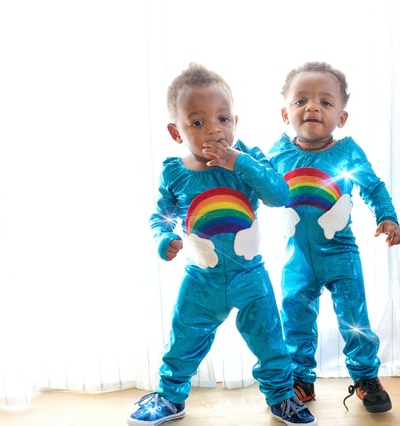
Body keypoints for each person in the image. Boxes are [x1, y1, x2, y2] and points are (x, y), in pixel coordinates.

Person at [127, 63, 316, 426]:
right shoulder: (175, 173)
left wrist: (240, 163)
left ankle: (281, 396)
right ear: (175, 131)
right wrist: (164, 238)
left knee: (270, 341)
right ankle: (170, 396)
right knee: (184, 339)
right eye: (197, 123)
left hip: (250, 277)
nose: (214, 129)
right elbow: (161, 216)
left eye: (223, 118)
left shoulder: (248, 158)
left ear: (235, 122)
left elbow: (279, 194)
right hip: (202, 280)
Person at [267, 61, 400, 414]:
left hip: (341, 255)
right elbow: (255, 187)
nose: (312, 107)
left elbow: (373, 187)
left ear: (341, 118)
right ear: (286, 112)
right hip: (296, 256)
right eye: (301, 101)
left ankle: (365, 377)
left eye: (326, 102)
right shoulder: (277, 154)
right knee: (295, 316)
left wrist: (387, 217)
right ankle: (300, 379)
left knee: (353, 318)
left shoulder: (347, 152)